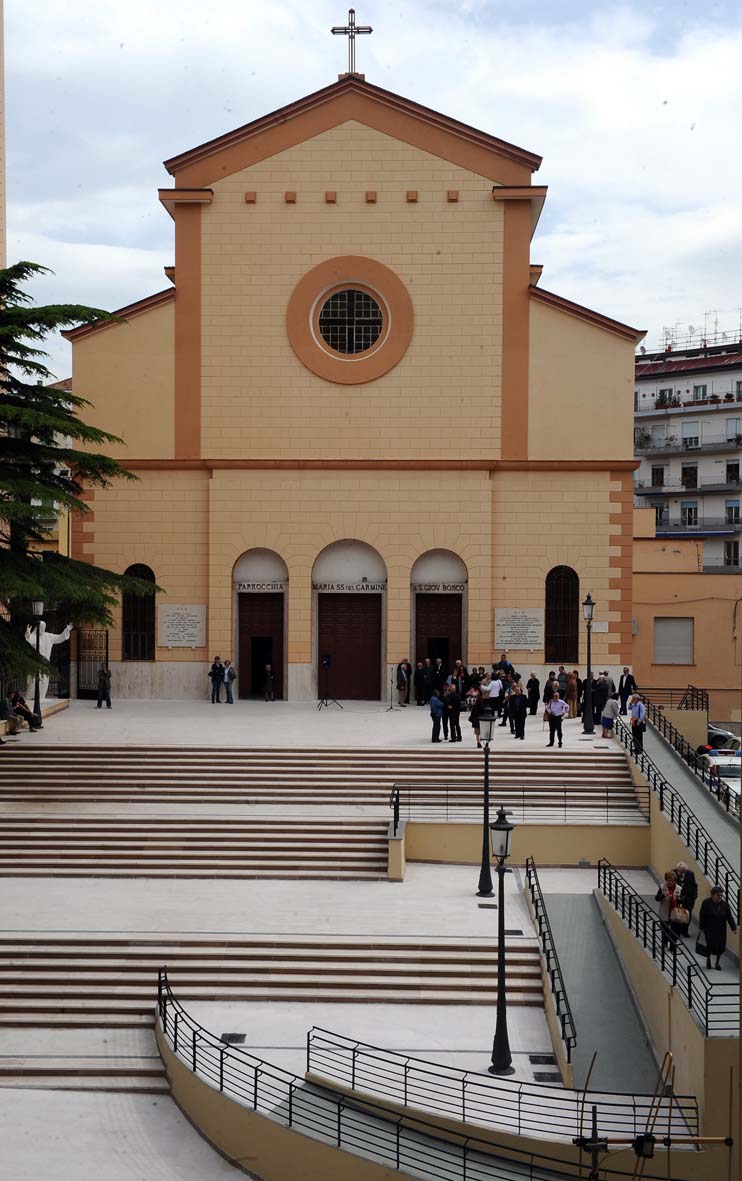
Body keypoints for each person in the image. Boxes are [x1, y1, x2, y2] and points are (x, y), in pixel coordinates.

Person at [698, 887, 737, 970]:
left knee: (721, 946)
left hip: (721, 929)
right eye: (718, 895)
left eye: (721, 895)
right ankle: (708, 959)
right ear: (712, 895)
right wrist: (701, 927)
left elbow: (729, 917)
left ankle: (717, 963)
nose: (720, 897)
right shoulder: (706, 903)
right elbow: (702, 915)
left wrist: (734, 928)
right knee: (709, 945)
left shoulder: (725, 905)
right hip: (709, 928)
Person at [655, 870, 680, 946]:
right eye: (669, 881)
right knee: (664, 931)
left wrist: (679, 899)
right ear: (666, 880)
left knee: (674, 931)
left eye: (673, 881)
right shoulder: (662, 887)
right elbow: (657, 898)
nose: (671, 882)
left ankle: (673, 946)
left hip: (675, 914)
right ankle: (664, 944)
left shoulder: (679, 888)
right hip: (664, 913)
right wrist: (663, 895)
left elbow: (683, 902)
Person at [674, 862, 698, 938]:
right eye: (680, 871)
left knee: (687, 915)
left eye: (683, 871)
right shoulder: (673, 873)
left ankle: (685, 931)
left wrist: (694, 896)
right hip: (678, 898)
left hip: (688, 899)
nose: (681, 873)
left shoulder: (690, 873)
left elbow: (694, 885)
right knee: (678, 916)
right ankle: (677, 932)